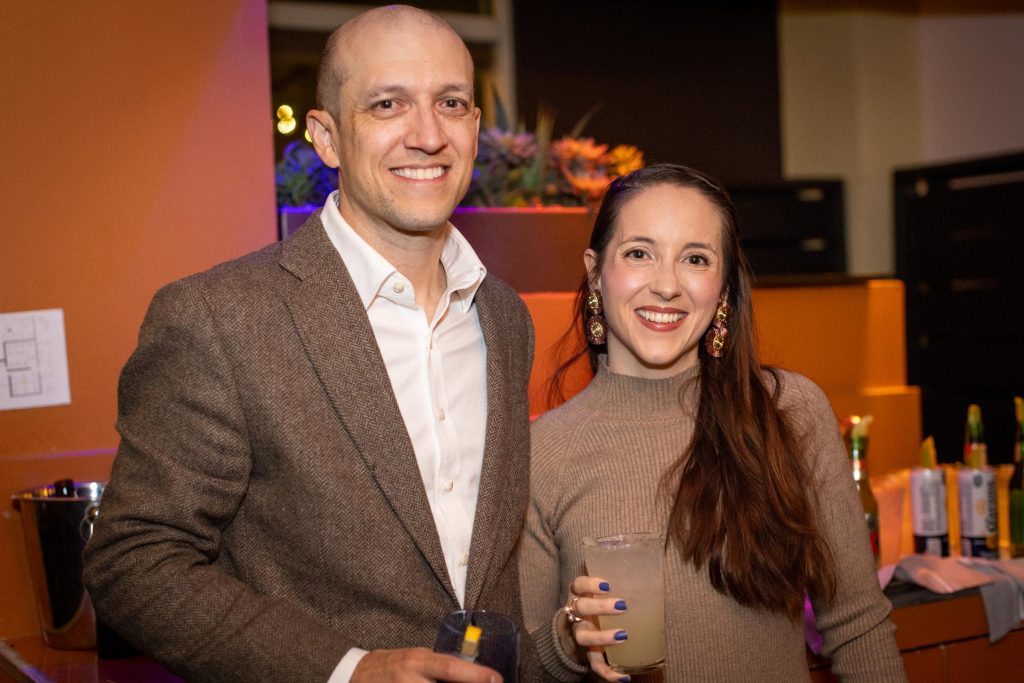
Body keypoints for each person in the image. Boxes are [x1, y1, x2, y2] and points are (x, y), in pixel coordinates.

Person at [84, 6, 535, 683]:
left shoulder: (503, 317)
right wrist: (349, 670)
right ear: (326, 138)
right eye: (387, 104)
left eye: (451, 103)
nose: (428, 134)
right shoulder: (219, 319)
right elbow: (134, 561)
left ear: (475, 126)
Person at [519, 164, 906, 682]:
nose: (666, 286)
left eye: (696, 259)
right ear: (595, 271)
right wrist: (567, 639)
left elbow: (859, 628)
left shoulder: (788, 412)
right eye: (639, 253)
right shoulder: (541, 453)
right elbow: (519, 666)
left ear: (723, 286)